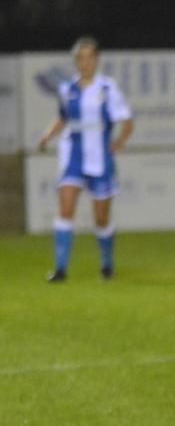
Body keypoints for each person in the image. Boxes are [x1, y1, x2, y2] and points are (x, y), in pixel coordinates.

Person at [37, 36, 134, 282]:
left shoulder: (107, 88)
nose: (86, 62)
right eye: (81, 57)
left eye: (90, 57)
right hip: (73, 156)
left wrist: (119, 142)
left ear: (97, 59)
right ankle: (60, 269)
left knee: (101, 217)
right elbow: (62, 117)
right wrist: (47, 136)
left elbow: (127, 120)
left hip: (101, 159)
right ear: (76, 61)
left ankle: (106, 263)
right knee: (65, 207)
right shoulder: (66, 89)